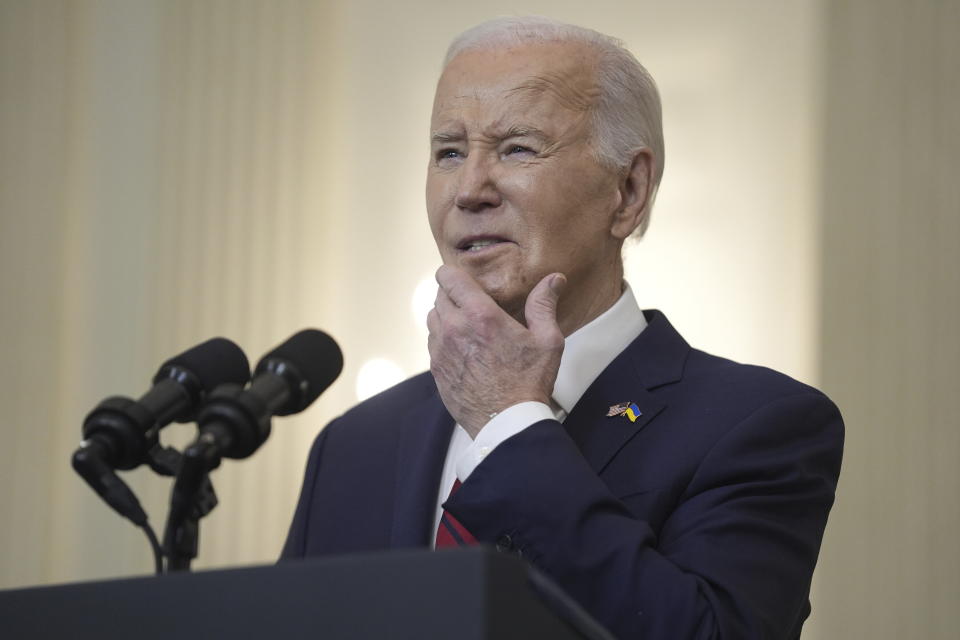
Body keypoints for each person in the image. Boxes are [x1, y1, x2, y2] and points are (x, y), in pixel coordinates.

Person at [282, 16, 843, 640]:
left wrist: (510, 423)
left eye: (517, 148)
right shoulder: (356, 443)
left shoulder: (757, 425)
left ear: (628, 191)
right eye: (448, 151)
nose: (469, 189)